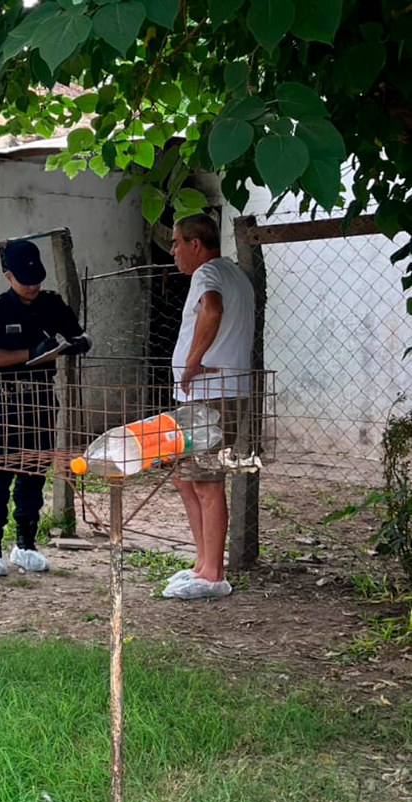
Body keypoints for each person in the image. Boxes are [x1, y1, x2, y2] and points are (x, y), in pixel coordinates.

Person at [0, 239, 90, 578]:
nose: (33, 285)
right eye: (26, 280)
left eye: (37, 278)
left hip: (40, 401)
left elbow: (78, 334)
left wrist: (77, 343)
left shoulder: (51, 303)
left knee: (34, 472)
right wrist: (30, 353)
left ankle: (25, 545)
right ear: (8, 276)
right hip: (4, 404)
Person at [163, 213, 255, 600]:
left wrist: (191, 363)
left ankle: (214, 574)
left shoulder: (207, 274)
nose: (172, 251)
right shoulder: (234, 273)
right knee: (185, 477)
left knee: (206, 481)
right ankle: (202, 564)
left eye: (176, 243)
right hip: (208, 394)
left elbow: (212, 310)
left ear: (195, 244)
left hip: (211, 394)